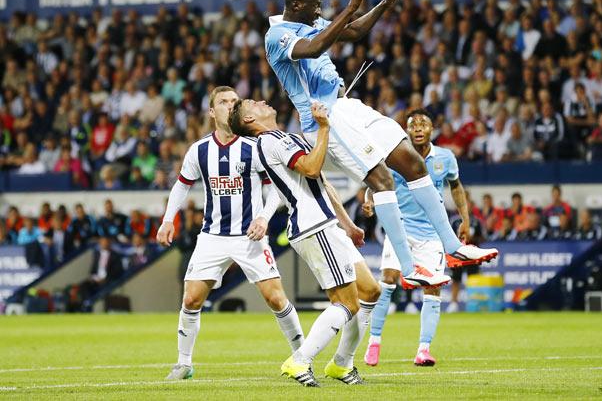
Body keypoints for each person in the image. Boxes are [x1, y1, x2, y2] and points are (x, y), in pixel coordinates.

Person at [265, 0, 497, 287]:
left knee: (412, 162)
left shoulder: (311, 21)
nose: (318, 12)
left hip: (347, 106)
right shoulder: (276, 35)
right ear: (296, 6)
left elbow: (355, 31)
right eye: (314, 7)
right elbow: (316, 47)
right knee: (382, 180)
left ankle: (453, 247)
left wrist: (384, 4)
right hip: (325, 120)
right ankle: (409, 266)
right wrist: (348, 8)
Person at [229, 98, 382, 387]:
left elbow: (321, 182)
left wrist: (348, 225)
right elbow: (311, 168)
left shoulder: (284, 138)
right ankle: (300, 360)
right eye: (254, 103)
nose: (263, 101)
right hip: (314, 225)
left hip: (329, 224)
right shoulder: (272, 141)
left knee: (371, 291)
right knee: (347, 304)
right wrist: (324, 127)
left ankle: (341, 365)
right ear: (249, 120)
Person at [157, 87, 304, 381]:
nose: (229, 106)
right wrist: (168, 219)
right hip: (212, 236)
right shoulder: (200, 150)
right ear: (212, 111)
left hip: (249, 236)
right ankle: (184, 363)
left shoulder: (254, 147)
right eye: (223, 102)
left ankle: (303, 357)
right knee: (191, 299)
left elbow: (276, 187)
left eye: (234, 102)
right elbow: (182, 185)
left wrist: (263, 217)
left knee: (276, 298)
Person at [360, 109, 480, 367]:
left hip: (432, 233)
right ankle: (374, 342)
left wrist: (465, 218)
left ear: (431, 129)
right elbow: (377, 181)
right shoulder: (395, 155)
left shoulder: (445, 158)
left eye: (422, 124)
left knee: (433, 287)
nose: (417, 128)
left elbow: (456, 186)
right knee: (389, 280)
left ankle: (423, 349)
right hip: (400, 228)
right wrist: (369, 201)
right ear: (405, 130)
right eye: (412, 124)